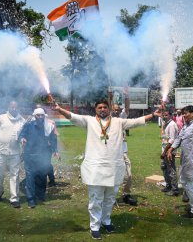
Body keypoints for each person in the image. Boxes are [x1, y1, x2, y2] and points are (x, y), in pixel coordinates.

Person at [53, 99, 160, 240]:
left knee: (110, 198)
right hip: (95, 168)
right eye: (99, 107)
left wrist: (153, 115)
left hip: (114, 167)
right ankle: (95, 226)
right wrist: (59, 109)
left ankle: (106, 221)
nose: (102, 109)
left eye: (105, 107)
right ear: (95, 109)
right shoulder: (89, 121)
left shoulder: (118, 122)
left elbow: (136, 121)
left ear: (109, 109)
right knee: (96, 199)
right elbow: (72, 116)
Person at [19, 108, 58, 208]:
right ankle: (31, 199)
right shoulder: (28, 125)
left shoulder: (49, 126)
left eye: (42, 115)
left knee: (42, 176)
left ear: (44, 116)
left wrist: (56, 151)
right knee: (30, 177)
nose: (40, 117)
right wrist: (22, 138)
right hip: (30, 155)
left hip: (43, 155)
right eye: (38, 115)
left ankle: (41, 195)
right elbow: (22, 134)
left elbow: (53, 139)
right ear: (34, 116)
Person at [0, 101, 25, 208]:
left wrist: (23, 150)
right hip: (0, 152)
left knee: (15, 175)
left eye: (16, 106)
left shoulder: (22, 121)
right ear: (8, 107)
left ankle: (14, 198)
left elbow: (24, 137)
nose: (14, 108)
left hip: (15, 153)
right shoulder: (1, 118)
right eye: (12, 106)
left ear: (18, 108)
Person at [111, 94, 137, 206]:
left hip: (123, 152)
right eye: (115, 110)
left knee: (128, 175)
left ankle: (126, 194)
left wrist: (126, 95)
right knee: (111, 176)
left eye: (118, 110)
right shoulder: (107, 119)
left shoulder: (121, 118)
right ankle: (109, 198)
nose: (117, 112)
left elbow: (126, 108)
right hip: (111, 153)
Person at [160, 110, 179, 196]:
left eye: (166, 115)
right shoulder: (166, 124)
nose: (164, 117)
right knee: (164, 167)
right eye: (163, 115)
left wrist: (165, 152)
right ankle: (168, 186)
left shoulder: (172, 125)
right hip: (164, 150)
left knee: (171, 169)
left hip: (169, 151)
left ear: (171, 115)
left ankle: (174, 189)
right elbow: (165, 137)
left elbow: (172, 140)